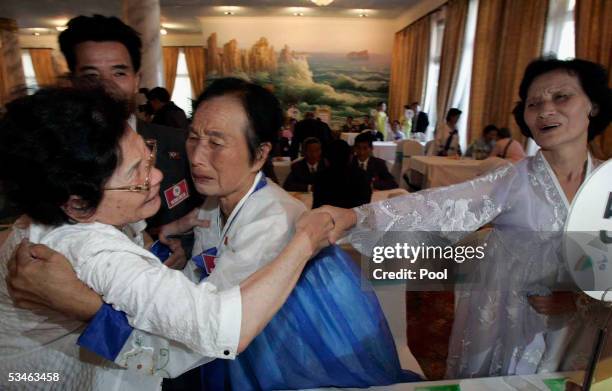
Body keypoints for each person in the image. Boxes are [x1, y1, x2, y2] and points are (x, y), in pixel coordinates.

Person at [7, 79, 416, 390]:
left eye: (217, 144)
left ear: (260, 154)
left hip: (279, 339)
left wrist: (88, 304)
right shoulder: (212, 199)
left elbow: (212, 332)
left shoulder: (272, 223)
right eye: (194, 138)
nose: (196, 158)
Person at [311, 58, 612, 379]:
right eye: (533, 102)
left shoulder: (607, 182)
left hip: (586, 327)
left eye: (561, 97)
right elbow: (440, 205)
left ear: (592, 105)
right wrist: (354, 217)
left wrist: (579, 300)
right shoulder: (514, 180)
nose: (544, 110)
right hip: (513, 319)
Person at [58, 14, 199, 231]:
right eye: (91, 76)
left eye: (119, 73)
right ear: (71, 83)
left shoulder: (178, 144)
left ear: (136, 81)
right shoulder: (55, 157)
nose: (106, 86)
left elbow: (202, 220)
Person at [313, 139, 372, 209]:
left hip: (328, 217)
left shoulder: (320, 177)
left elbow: (317, 206)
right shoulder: (362, 175)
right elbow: (365, 204)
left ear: (326, 160)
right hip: (355, 218)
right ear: (350, 157)